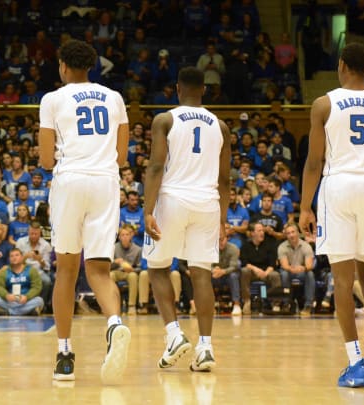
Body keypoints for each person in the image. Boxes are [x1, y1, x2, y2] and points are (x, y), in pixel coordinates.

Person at [300, 43, 364, 388]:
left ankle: (356, 364)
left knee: (343, 282)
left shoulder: (323, 104)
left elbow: (314, 162)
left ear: (342, 65)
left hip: (338, 187)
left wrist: (304, 207)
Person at [39, 39, 131, 383]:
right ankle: (115, 324)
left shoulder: (52, 99)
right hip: (106, 182)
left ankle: (64, 354)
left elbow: (47, 159)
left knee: (66, 271)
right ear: (90, 66)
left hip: (71, 181)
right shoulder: (115, 98)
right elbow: (122, 158)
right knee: (99, 270)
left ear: (63, 65)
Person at [143, 66, 230, 372]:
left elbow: (155, 167)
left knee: (157, 269)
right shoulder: (220, 126)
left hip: (173, 200)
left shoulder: (165, 119)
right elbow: (225, 180)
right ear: (204, 90)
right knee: (202, 275)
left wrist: (147, 210)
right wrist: (222, 219)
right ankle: (205, 348)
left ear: (177, 89)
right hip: (208, 203)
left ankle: (174, 334)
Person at [0, 248, 44, 315]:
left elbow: (37, 287)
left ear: (22, 257)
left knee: (39, 301)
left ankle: (10, 312)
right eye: (12, 256)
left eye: (17, 255)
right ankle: (26, 312)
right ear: (9, 259)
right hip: (11, 300)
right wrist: (6, 295)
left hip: (25, 300)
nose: (14, 258)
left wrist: (27, 297)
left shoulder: (31, 270)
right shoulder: (5, 272)